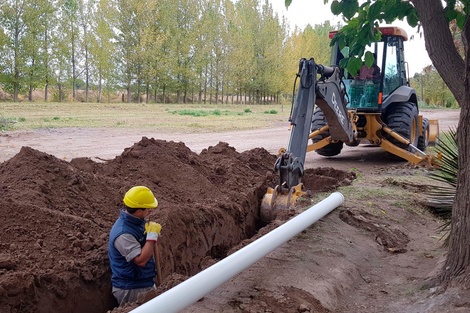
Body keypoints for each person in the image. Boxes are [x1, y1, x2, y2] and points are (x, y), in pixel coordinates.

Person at [108, 185, 162, 306]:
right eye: (148, 209)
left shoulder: (135, 222)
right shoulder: (123, 233)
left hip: (143, 282)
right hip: (132, 289)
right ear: (139, 211)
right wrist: (152, 237)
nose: (150, 211)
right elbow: (140, 260)